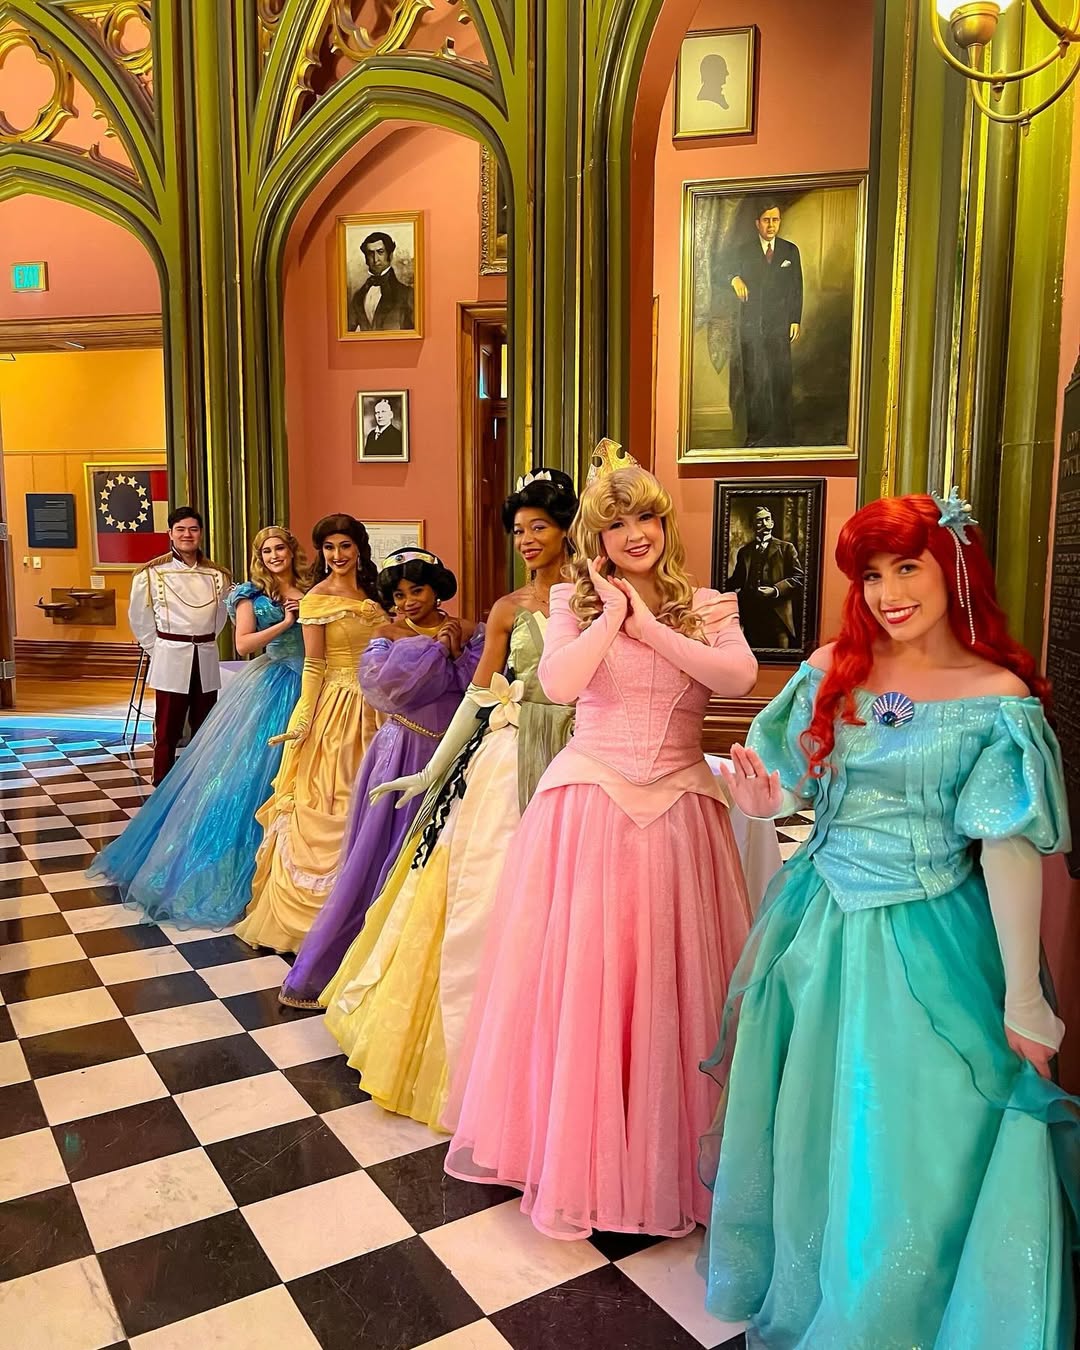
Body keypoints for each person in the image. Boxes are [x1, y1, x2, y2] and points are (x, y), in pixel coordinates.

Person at [701, 491, 1077, 1347]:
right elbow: (793, 783)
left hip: (932, 937)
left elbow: (1008, 847)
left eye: (908, 567)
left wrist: (1024, 996)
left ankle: (902, 1315)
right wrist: (766, 802)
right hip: (818, 928)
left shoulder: (998, 697)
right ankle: (819, 1292)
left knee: (917, 1134)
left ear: (955, 569)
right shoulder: (833, 667)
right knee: (815, 1123)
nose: (888, 593)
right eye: (871, 575)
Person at [444, 456, 759, 1241]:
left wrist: (649, 625)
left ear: (664, 524)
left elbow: (738, 677)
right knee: (590, 981)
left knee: (669, 984)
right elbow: (559, 684)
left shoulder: (708, 605)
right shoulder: (571, 600)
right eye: (614, 525)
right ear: (597, 537)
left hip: (681, 809)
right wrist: (611, 616)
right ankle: (581, 1157)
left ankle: (665, 1157)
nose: (633, 535)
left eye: (644, 518)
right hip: (589, 807)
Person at [320, 469, 580, 1127]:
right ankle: (480, 1055)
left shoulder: (599, 599)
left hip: (582, 752)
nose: (526, 540)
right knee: (483, 892)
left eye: (539, 527)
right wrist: (434, 770)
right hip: (510, 752)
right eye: (518, 530)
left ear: (567, 529)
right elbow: (480, 694)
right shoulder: (508, 609)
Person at [278, 549, 483, 1006]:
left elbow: (478, 690)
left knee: (440, 860)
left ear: (437, 589)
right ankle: (357, 967)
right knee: (382, 855)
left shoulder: (472, 631)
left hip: (455, 755)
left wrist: (456, 650)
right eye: (399, 595)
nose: (408, 602)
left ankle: (424, 973)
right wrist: (439, 650)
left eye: (417, 590)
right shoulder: (385, 634)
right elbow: (387, 690)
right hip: (403, 753)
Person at [88, 526, 309, 929]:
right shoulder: (250, 594)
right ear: (259, 557)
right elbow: (244, 644)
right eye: (267, 550)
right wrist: (286, 622)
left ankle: (297, 873)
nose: (275, 555)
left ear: (293, 551)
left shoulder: (313, 590)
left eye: (280, 548)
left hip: (312, 682)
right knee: (254, 774)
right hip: (274, 683)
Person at [235, 515, 389, 954]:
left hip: (379, 707)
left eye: (345, 546)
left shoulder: (375, 593)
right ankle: (320, 920)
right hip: (338, 710)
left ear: (359, 548)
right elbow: (314, 665)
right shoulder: (317, 598)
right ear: (320, 553)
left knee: (376, 801)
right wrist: (302, 720)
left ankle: (369, 910)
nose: (337, 555)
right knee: (334, 798)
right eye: (329, 548)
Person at [128, 506, 230, 785]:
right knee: (167, 729)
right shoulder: (150, 573)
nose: (187, 535)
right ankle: (162, 782)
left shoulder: (218, 575)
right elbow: (139, 619)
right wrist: (160, 650)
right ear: (170, 533)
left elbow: (220, 618)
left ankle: (200, 780)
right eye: (181, 529)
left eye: (193, 529)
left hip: (205, 656)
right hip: (170, 656)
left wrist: (202, 642)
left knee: (204, 725)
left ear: (201, 533)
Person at [728, 201, 803, 447]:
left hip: (779, 325)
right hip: (751, 327)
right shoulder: (743, 251)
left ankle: (784, 434)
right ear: (757, 223)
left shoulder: (790, 251)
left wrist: (795, 319)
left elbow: (796, 288)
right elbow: (721, 270)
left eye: (775, 220)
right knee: (754, 380)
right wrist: (734, 278)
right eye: (766, 220)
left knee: (781, 378)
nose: (771, 225)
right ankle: (756, 435)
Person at [726, 504, 804, 648]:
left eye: (767, 519)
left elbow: (799, 578)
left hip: (778, 617)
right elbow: (737, 581)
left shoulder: (786, 548)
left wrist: (775, 590)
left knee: (780, 653)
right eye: (759, 521)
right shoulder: (745, 552)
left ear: (772, 523)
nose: (765, 524)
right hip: (751, 616)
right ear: (753, 525)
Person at [348, 231, 415, 333]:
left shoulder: (407, 294)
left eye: (380, 252)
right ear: (366, 259)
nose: (375, 259)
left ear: (390, 255)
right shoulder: (358, 296)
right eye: (370, 253)